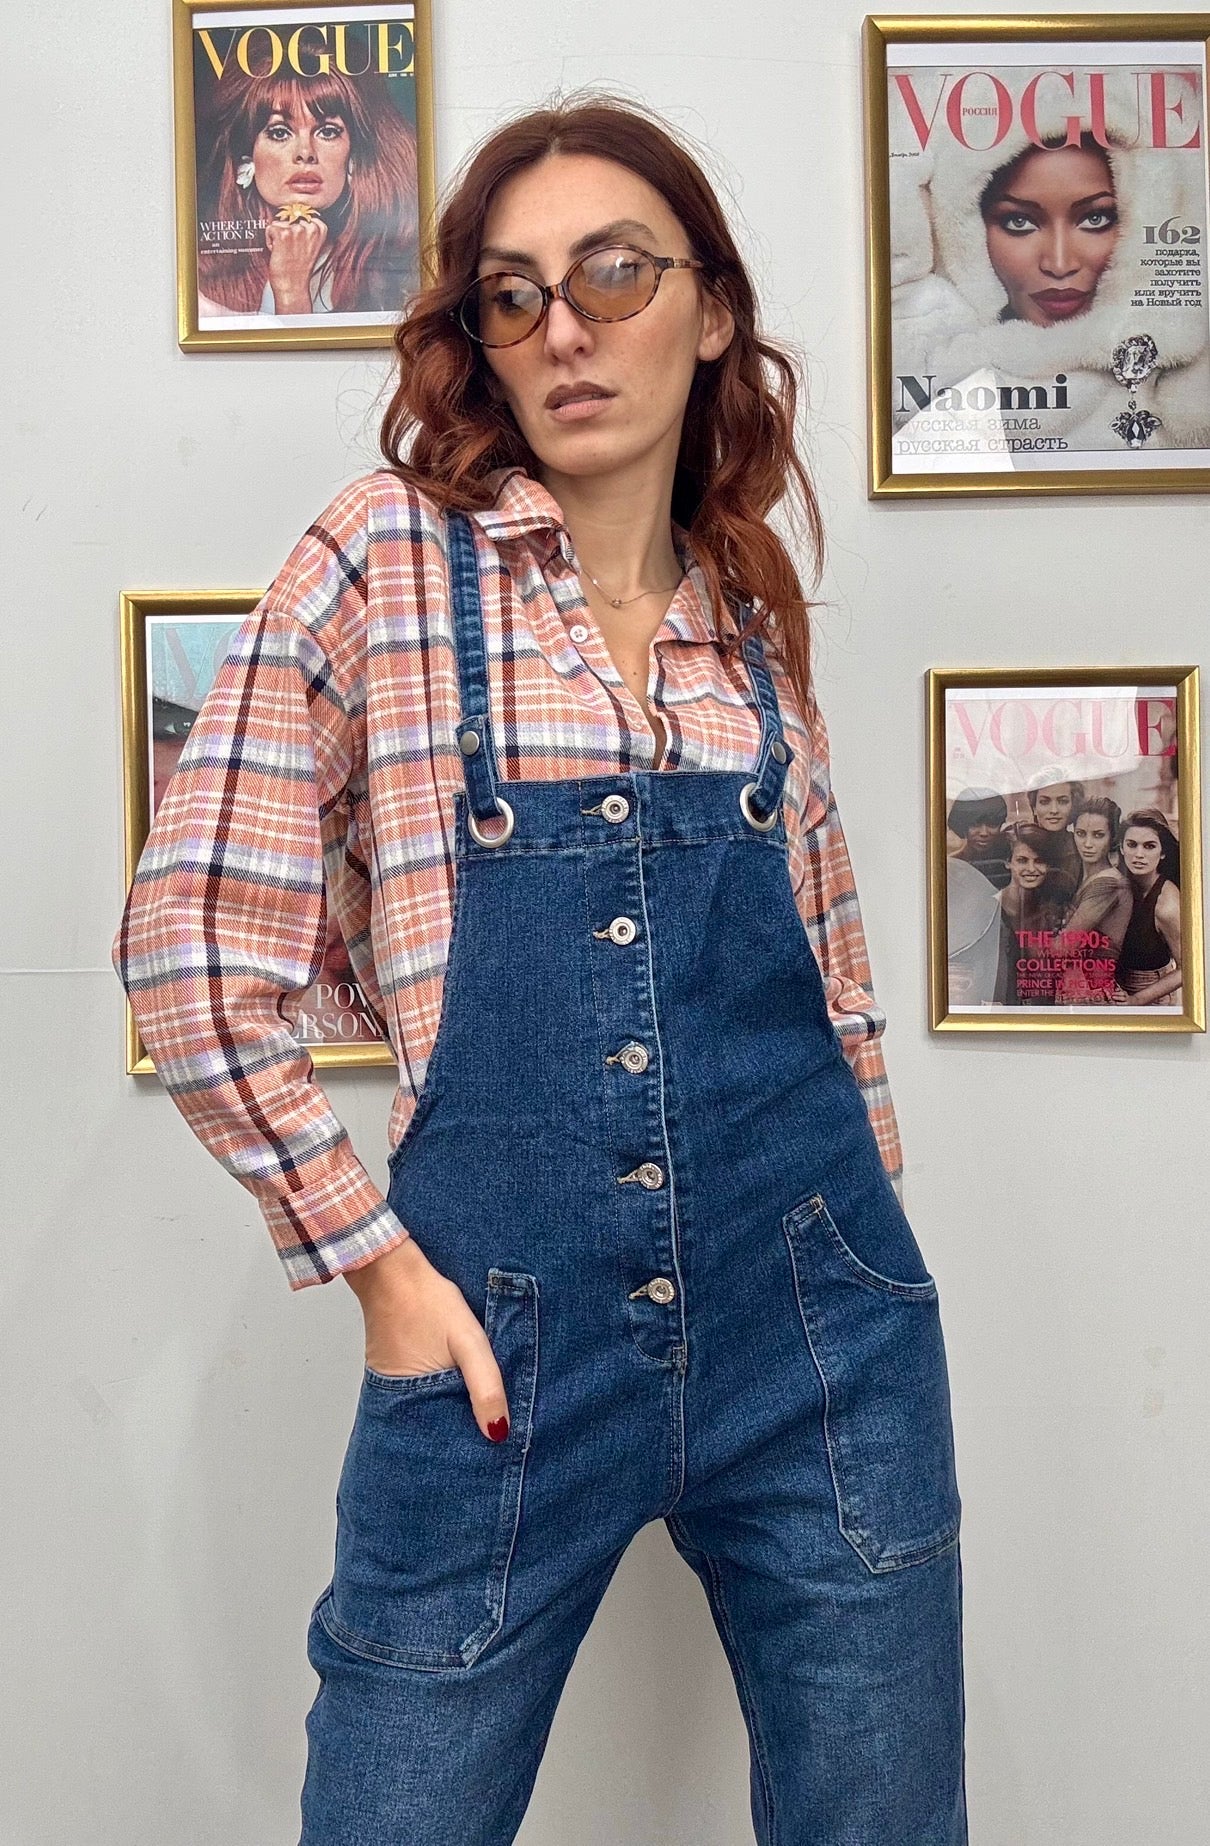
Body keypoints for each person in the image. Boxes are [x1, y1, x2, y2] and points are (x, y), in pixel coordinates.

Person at [115, 92, 966, 1845]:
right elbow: (190, 950)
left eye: (614, 274)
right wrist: (375, 1268)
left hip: (820, 1344)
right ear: (481, 340)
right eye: (515, 295)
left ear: (710, 309)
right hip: (497, 1346)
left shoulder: (747, 611)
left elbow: (832, 975)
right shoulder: (381, 560)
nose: (566, 328)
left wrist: (862, 1228)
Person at [195, 64, 418, 318]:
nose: (305, 153)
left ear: (354, 155)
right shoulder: (202, 298)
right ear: (246, 155)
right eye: (280, 132)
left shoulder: (392, 276)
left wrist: (292, 291)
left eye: (327, 132)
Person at [1052, 797, 1132, 1003]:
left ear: (1112, 838)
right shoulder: (1083, 876)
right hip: (1076, 992)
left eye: (1098, 835)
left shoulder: (1108, 884)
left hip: (1092, 996)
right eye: (1081, 834)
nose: (1087, 844)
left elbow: (1062, 949)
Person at [1108, 807, 1183, 1006]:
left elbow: (1186, 969)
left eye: (1149, 846)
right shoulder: (1114, 880)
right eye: (1132, 845)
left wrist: (1136, 1000)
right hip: (1114, 985)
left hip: (1150, 992)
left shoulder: (1167, 903)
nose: (1138, 854)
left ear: (1163, 852)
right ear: (1122, 848)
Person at [993, 824, 1069, 1005]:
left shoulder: (1054, 912)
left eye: (1039, 861)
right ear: (1007, 862)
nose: (1031, 868)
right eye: (1022, 860)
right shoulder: (989, 910)